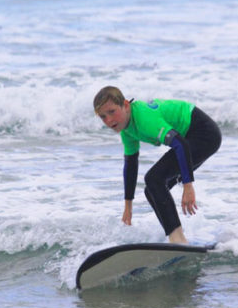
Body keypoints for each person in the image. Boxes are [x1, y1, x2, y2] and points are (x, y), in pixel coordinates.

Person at [93, 86, 222, 244]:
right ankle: (175, 236)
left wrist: (188, 186)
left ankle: (177, 239)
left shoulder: (144, 118)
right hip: (191, 137)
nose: (109, 120)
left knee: (154, 178)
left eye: (112, 112)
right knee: (152, 189)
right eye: (103, 117)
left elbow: (180, 144)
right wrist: (128, 206)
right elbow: (131, 165)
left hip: (203, 133)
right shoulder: (126, 129)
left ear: (125, 105)